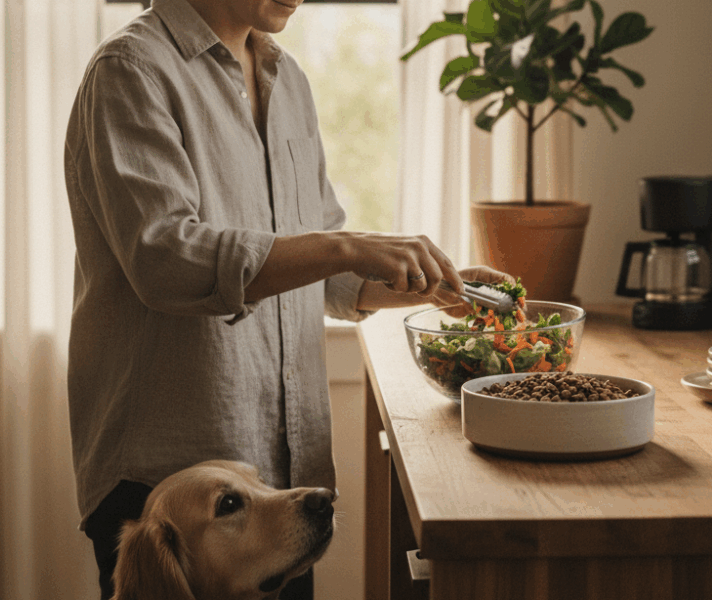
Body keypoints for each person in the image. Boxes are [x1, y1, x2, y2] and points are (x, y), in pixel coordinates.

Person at [62, 0, 510, 597]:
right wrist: (347, 245)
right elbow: (165, 260)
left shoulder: (287, 78)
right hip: (164, 488)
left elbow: (322, 273)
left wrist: (433, 282)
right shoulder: (132, 69)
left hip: (280, 488)